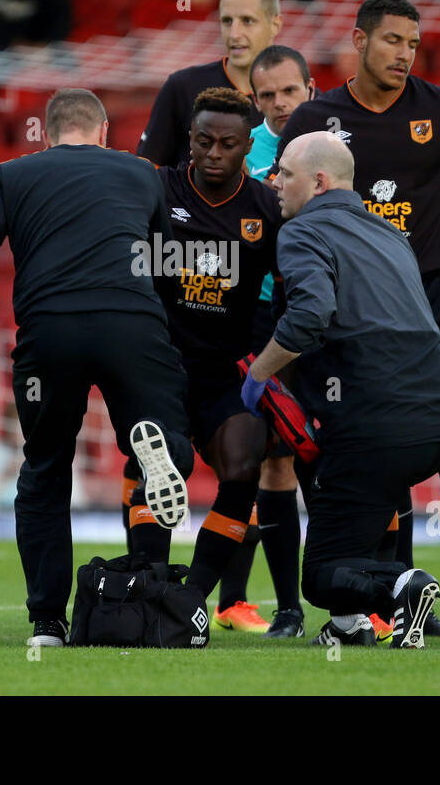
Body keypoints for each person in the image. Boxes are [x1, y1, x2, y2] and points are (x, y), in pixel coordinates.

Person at [274, 0, 440, 643]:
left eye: (413, 43)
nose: (405, 54)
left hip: (434, 294)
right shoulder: (318, 120)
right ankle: (396, 596)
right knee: (379, 441)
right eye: (392, 41)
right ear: (359, 40)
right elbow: (287, 196)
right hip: (358, 307)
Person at [0, 87, 196, 648]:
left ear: (46, 135)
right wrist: (165, 338)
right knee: (166, 448)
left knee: (46, 469)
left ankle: (49, 621)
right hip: (132, 324)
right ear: (103, 132)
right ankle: (155, 457)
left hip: (51, 333)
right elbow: (168, 262)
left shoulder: (9, 176)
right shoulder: (143, 173)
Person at [246, 132, 440, 648]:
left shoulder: (301, 231)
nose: (275, 182)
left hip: (377, 421)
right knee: (348, 532)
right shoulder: (390, 234)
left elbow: (309, 317)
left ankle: (403, 587)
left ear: (319, 182)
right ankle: (350, 627)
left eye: (286, 174)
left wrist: (259, 377)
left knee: (320, 574)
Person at [145, 88, 284, 630]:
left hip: (228, 371)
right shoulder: (158, 189)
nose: (214, 153)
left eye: (229, 144)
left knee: (246, 461)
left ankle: (193, 598)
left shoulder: (267, 208)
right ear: (190, 140)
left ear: (248, 146)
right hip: (161, 366)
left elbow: (294, 289)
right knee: (156, 467)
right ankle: (147, 587)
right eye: (204, 141)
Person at [244, 44, 316, 638]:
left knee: (349, 451)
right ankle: (289, 608)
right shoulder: (244, 152)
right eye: (265, 95)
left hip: (337, 313)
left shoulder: (343, 146)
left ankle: (377, 597)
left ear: (310, 89)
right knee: (276, 456)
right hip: (269, 311)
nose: (277, 104)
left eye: (287, 91)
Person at [136, 0, 276, 169]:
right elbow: (147, 169)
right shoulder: (183, 86)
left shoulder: (295, 96)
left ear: (275, 24)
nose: (234, 33)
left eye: (247, 21)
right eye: (227, 21)